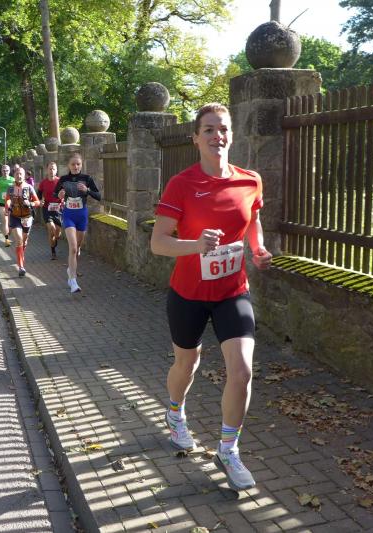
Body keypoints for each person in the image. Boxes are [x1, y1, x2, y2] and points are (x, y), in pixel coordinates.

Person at [150, 103, 272, 492]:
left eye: (223, 129)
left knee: (242, 371)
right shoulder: (181, 184)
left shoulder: (250, 180)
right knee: (186, 364)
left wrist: (258, 249)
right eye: (209, 129)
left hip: (232, 292)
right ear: (195, 138)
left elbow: (253, 221)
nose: (217, 136)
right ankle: (175, 414)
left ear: (231, 135)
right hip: (188, 293)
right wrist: (196, 245)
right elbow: (158, 243)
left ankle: (228, 450)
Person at [55, 153, 100, 293]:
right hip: (69, 215)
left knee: (77, 248)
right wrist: (59, 195)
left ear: (81, 165)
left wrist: (87, 190)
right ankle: (73, 281)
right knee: (73, 248)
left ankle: (71, 269)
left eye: (78, 164)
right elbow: (55, 194)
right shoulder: (63, 179)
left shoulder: (87, 179)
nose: (75, 166)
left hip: (82, 216)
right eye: (73, 164)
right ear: (68, 165)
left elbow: (98, 196)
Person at [5, 166, 40, 276]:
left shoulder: (29, 187)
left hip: (27, 217)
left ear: (24, 176)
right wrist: (7, 206)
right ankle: (21, 266)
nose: (19, 176)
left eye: (21, 174)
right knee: (19, 239)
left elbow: (38, 202)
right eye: (17, 174)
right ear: (14, 175)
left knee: (24, 241)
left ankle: (21, 253)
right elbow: (7, 199)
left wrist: (30, 203)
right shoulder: (10, 188)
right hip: (15, 217)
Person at [37, 161, 62, 260]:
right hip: (47, 208)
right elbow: (39, 194)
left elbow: (65, 194)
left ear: (56, 170)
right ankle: (53, 251)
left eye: (54, 169)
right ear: (47, 170)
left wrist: (63, 200)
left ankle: (56, 240)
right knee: (51, 228)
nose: (52, 171)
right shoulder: (43, 183)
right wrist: (40, 201)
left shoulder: (60, 182)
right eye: (50, 169)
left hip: (58, 209)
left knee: (57, 234)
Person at [0, 165, 15, 246]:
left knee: (11, 222)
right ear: (1, 171)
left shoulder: (13, 179)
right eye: (3, 170)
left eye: (7, 170)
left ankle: (8, 232)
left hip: (11, 203)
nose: (5, 172)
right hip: (2, 203)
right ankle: (6, 240)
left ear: (9, 171)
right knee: (5, 221)